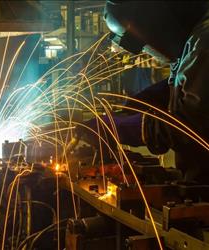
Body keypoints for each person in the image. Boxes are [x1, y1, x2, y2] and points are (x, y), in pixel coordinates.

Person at [76, 1, 209, 184]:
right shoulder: (193, 39)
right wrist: (139, 104)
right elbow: (189, 87)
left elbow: (190, 126)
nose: (149, 52)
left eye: (146, 45)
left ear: (159, 24)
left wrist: (124, 128)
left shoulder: (205, 42)